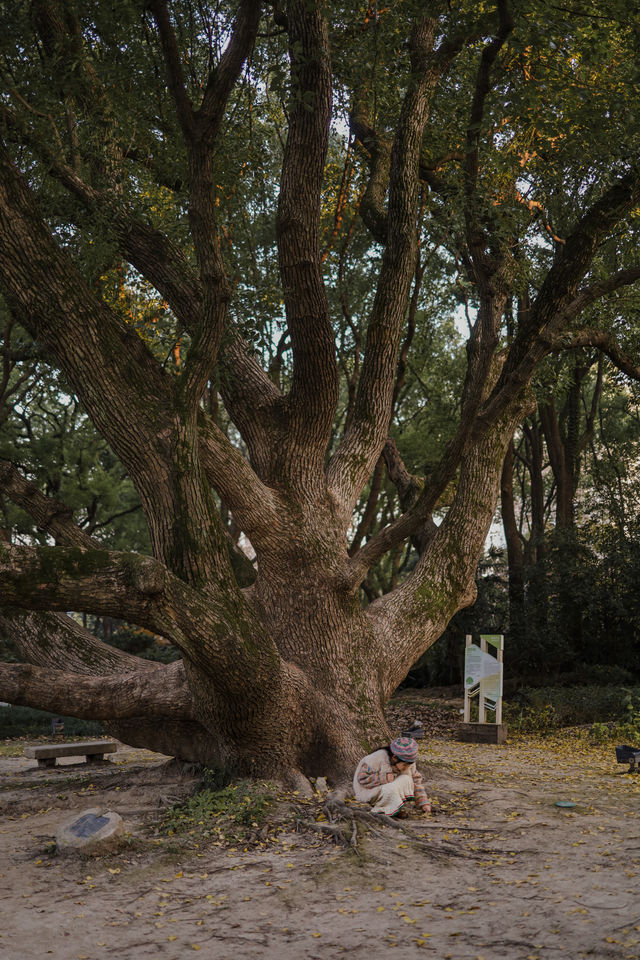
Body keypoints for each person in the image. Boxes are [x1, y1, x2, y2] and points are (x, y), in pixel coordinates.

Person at [353, 736, 431, 818]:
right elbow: (362, 779)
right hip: (368, 792)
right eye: (404, 765)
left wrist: (424, 803)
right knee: (392, 787)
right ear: (394, 758)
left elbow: (416, 782)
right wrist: (384, 778)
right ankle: (382, 810)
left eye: (408, 765)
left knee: (407, 779)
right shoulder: (377, 757)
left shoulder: (409, 762)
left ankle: (393, 809)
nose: (406, 768)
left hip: (386, 789)